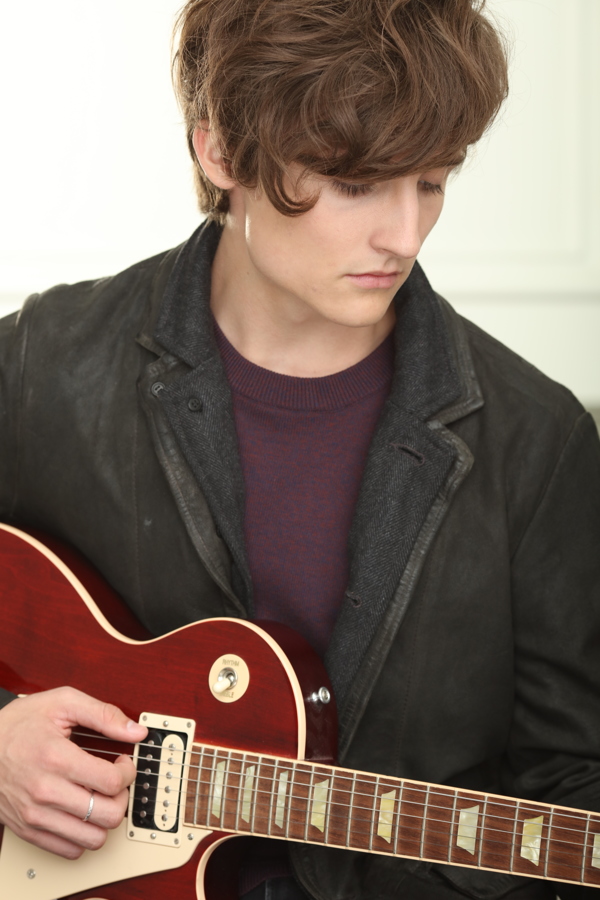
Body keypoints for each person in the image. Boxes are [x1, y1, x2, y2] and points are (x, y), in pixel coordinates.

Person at [0, 0, 599, 898]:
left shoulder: (537, 439)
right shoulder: (41, 364)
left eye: (433, 181)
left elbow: (572, 780)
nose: (404, 235)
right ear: (221, 151)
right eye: (358, 184)